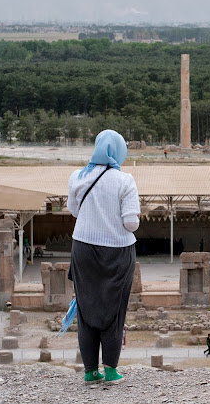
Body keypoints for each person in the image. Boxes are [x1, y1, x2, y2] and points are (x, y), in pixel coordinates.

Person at [67, 130, 140, 386]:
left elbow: (74, 211)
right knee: (114, 310)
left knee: (86, 309)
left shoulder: (77, 176)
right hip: (118, 251)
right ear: (119, 151)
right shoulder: (125, 180)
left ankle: (89, 371)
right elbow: (130, 223)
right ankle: (110, 371)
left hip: (83, 249)